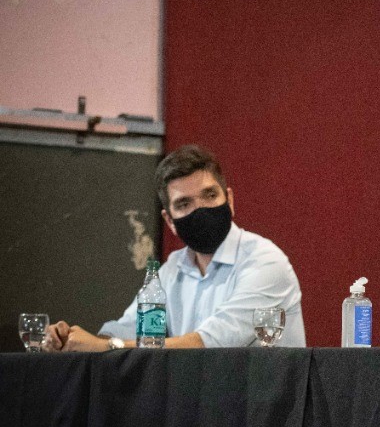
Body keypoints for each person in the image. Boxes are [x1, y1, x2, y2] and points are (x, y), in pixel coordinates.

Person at [44, 144, 305, 350]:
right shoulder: (172, 270)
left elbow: (211, 343)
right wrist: (72, 342)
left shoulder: (265, 262)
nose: (200, 209)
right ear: (169, 221)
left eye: (210, 195)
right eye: (184, 204)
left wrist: (105, 347)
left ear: (230, 200)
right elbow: (130, 328)